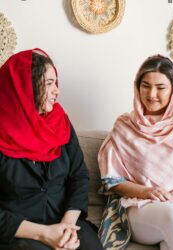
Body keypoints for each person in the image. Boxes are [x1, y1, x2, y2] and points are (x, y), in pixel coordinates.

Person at [97, 55, 173, 250]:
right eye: (145, 86)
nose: (152, 94)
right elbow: (113, 181)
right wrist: (146, 191)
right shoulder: (124, 126)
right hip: (137, 207)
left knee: (172, 238)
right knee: (172, 216)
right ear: (137, 86)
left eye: (161, 88)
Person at [0, 48, 103, 250]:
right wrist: (44, 233)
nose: (57, 90)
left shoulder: (60, 122)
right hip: (20, 232)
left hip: (65, 223)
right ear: (24, 87)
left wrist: (67, 225)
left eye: (56, 82)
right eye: (49, 83)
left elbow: (79, 176)